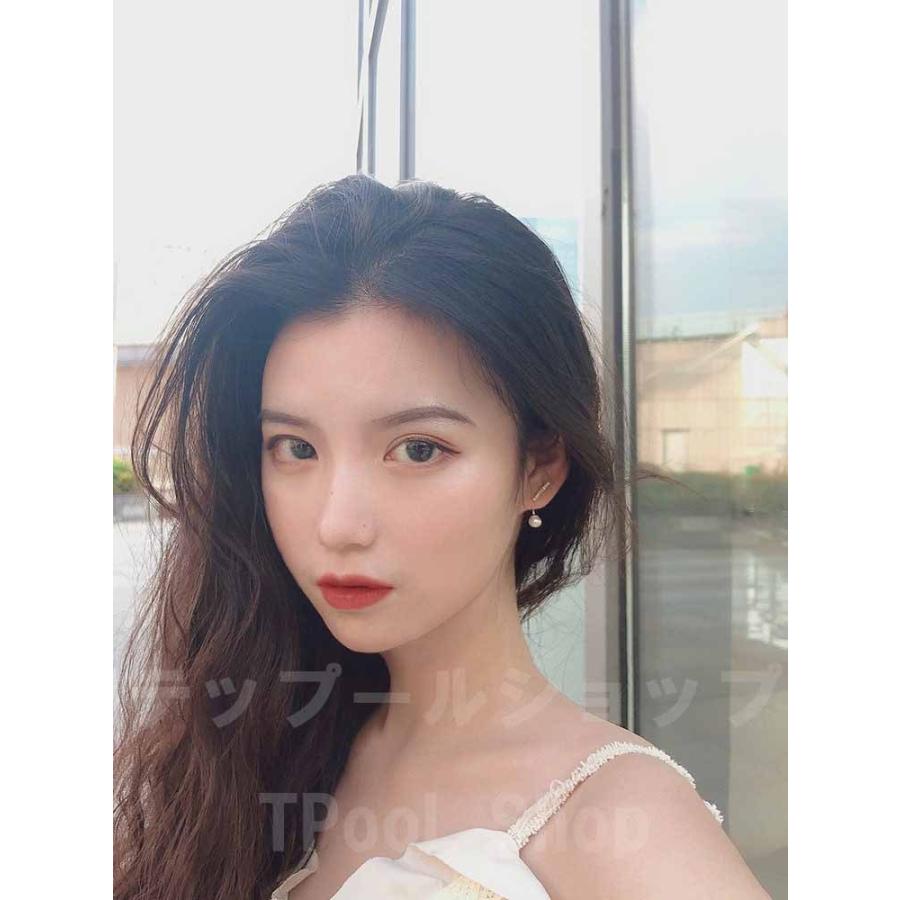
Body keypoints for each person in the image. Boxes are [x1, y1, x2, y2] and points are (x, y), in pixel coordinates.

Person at [114, 173, 769, 899]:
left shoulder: (622, 824)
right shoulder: (252, 751)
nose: (338, 524)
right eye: (296, 448)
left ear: (538, 468)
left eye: (418, 449)